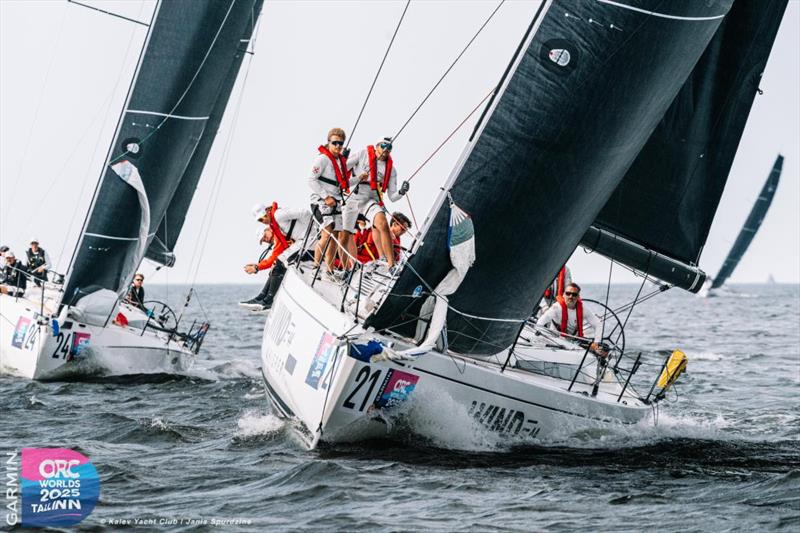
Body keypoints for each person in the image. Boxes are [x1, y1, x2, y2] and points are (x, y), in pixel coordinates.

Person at [343, 138, 409, 270]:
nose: (386, 149)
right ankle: (350, 266)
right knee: (346, 233)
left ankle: (390, 264)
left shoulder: (391, 170)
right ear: (377, 146)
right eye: (384, 145)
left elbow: (392, 196)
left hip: (370, 198)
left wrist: (402, 192)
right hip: (352, 196)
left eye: (390, 148)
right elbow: (341, 172)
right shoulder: (362, 154)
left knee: (382, 223)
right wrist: (342, 159)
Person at [241, 202, 312, 311]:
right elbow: (276, 255)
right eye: (260, 220)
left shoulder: (278, 216)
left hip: (308, 241)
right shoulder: (275, 225)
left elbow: (305, 213)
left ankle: (267, 300)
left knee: (278, 263)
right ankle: (262, 297)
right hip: (303, 243)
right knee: (277, 264)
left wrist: (312, 231)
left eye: (264, 236)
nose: (263, 221)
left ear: (267, 211)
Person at [308, 128, 352, 274]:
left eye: (341, 143)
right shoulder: (322, 159)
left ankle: (329, 270)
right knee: (327, 233)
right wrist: (326, 196)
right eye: (335, 143)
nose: (338, 146)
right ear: (328, 143)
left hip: (337, 202)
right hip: (320, 202)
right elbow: (311, 180)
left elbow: (345, 181)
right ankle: (315, 267)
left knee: (335, 237)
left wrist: (360, 178)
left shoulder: (340, 161)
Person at [536, 282, 607, 356]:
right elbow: (540, 322)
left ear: (578, 296)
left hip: (574, 341)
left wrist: (596, 342)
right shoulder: (556, 308)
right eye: (568, 293)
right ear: (563, 295)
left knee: (604, 350)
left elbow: (598, 324)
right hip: (555, 340)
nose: (570, 296)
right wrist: (540, 337)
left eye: (574, 294)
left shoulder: (583, 309)